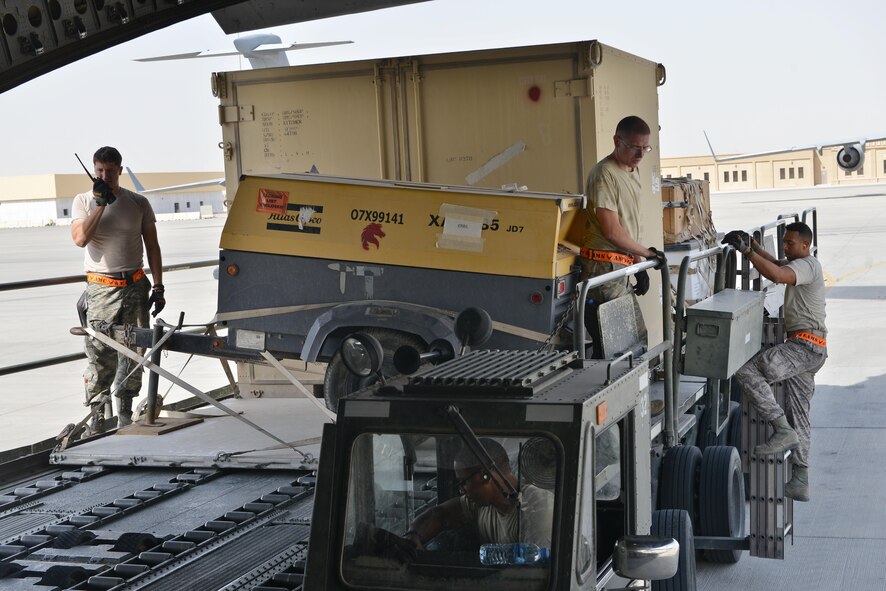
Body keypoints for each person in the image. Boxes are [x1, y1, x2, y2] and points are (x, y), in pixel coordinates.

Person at [724, 223, 827, 502]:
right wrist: (753, 247)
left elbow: (778, 274)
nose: (785, 247)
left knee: (747, 371)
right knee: (800, 415)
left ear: (805, 245)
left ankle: (781, 429)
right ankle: (801, 478)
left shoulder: (807, 265)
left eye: (790, 243)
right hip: (813, 349)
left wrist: (746, 251)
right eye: (783, 242)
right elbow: (776, 263)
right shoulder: (800, 261)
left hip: (803, 346)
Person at [71, 146, 165, 433]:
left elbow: (152, 246)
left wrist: (159, 286)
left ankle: (125, 417)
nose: (104, 176)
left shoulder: (138, 202)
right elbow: (80, 239)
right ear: (93, 169)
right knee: (100, 356)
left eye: (110, 172)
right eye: (99, 171)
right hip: (101, 288)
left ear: (120, 171)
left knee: (134, 353)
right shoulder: (84, 201)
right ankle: (97, 420)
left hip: (135, 286)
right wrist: (100, 205)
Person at [403, 438, 554, 550]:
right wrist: (413, 536)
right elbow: (440, 514)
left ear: (485, 476)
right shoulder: (482, 504)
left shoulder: (538, 509)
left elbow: (531, 574)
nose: (462, 490)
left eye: (464, 482)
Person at [580, 115, 667, 305]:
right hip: (604, 268)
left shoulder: (631, 170)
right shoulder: (604, 174)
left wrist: (639, 264)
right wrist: (648, 254)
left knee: (631, 335)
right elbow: (612, 231)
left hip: (621, 265)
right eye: (635, 147)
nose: (641, 155)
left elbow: (627, 225)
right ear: (617, 141)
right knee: (629, 334)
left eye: (645, 148)